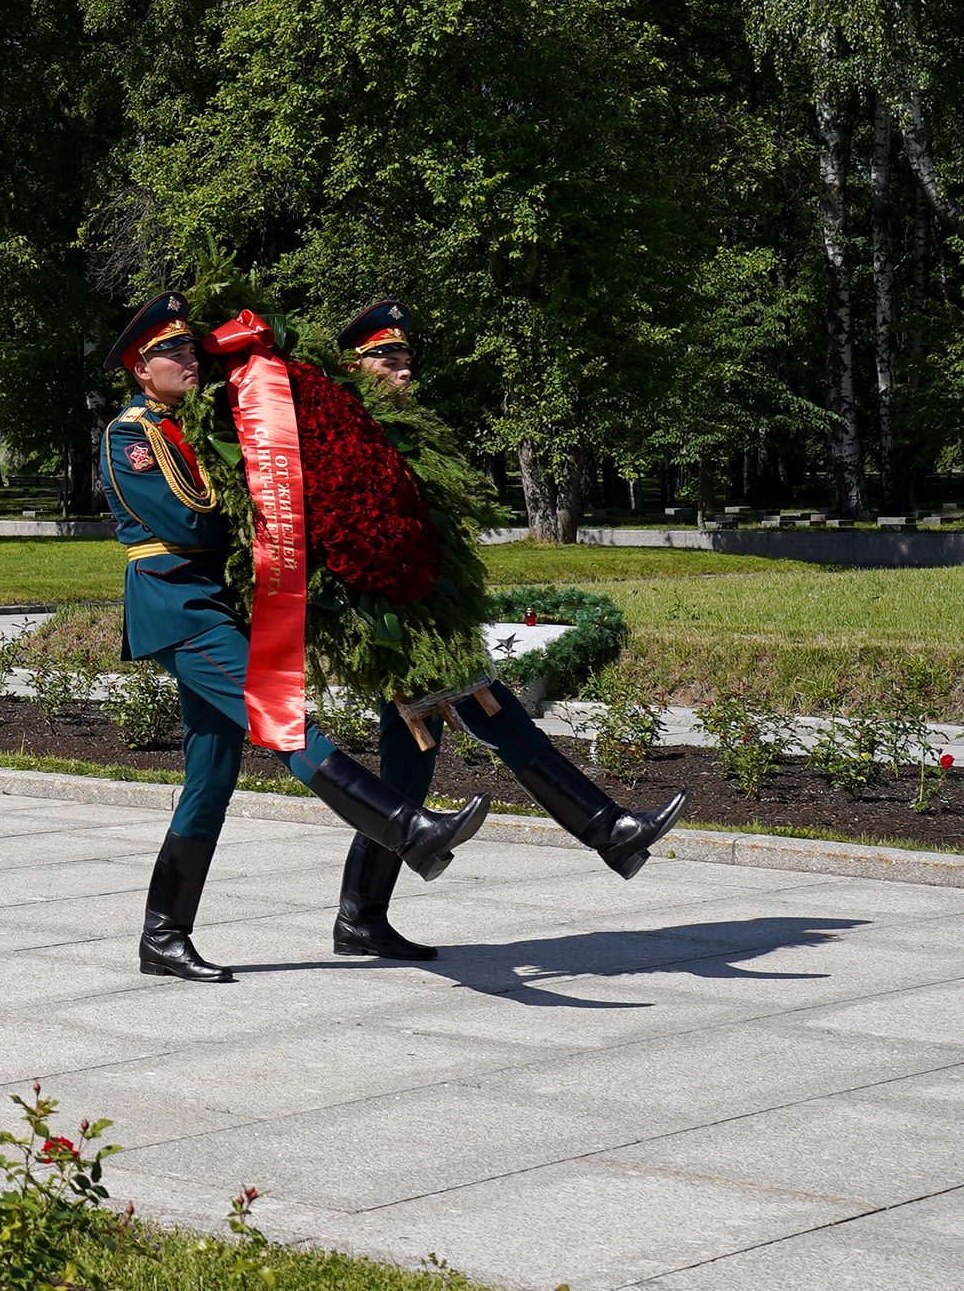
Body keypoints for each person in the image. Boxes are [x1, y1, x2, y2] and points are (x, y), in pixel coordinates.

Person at [101, 294, 487, 984]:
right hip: (178, 611)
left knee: (209, 782)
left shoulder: (191, 427)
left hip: (215, 606)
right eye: (174, 352)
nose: (190, 360)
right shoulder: (132, 437)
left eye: (192, 349)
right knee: (284, 720)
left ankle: (162, 937)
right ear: (140, 368)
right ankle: (406, 827)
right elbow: (191, 524)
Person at [328, 300, 688, 960]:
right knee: (499, 718)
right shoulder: (349, 430)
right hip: (399, 620)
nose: (403, 371)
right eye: (388, 358)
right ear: (354, 365)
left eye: (407, 359)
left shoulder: (401, 428)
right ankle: (609, 830)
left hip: (426, 608)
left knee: (407, 776)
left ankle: (360, 919)